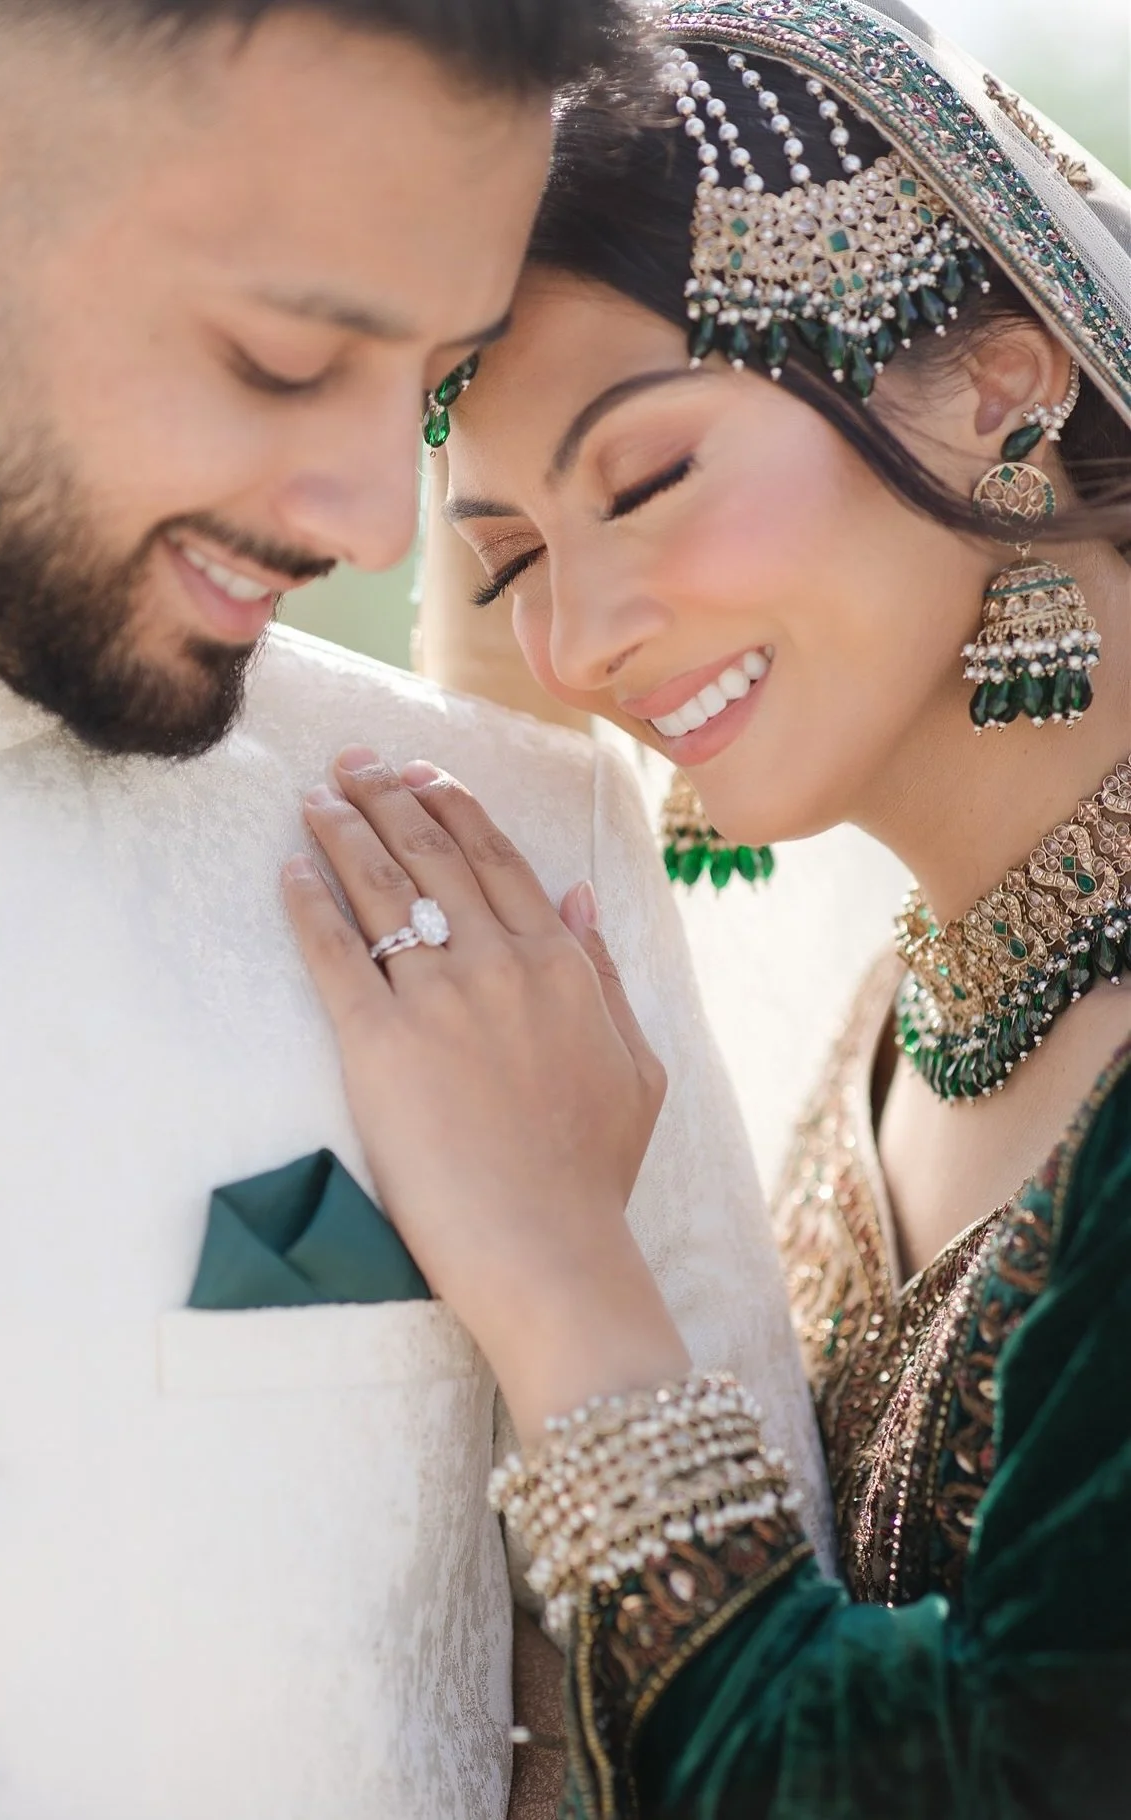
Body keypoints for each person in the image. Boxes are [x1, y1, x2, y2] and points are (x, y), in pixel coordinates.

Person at [0, 3, 839, 1817]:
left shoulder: (514, 844)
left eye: (428, 376)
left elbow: (707, 1751)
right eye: (280, 357)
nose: (368, 524)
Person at [283, 2, 1131, 1813]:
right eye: (508, 556)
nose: (576, 643)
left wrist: (559, 1272)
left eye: (649, 477)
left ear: (1002, 379)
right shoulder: (886, 1035)